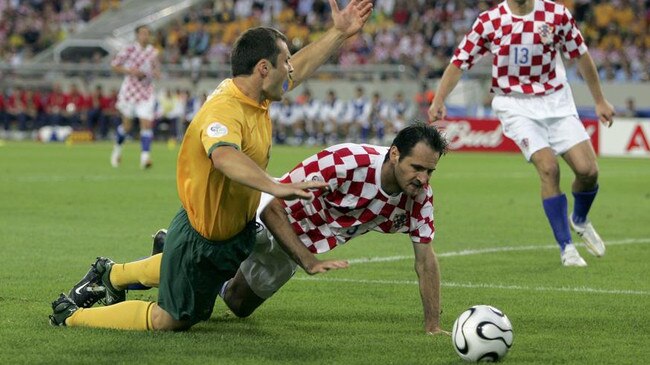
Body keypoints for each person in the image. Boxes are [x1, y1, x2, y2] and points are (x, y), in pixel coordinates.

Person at [49, 0, 374, 331]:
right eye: (285, 61)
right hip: (203, 236)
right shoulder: (225, 109)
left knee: (192, 282)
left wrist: (338, 33)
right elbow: (223, 156)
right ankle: (71, 315)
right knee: (172, 320)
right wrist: (274, 186)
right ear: (263, 67)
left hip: (232, 230)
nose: (290, 69)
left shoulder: (256, 95)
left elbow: (299, 71)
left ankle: (111, 275)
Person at [64, 122, 450, 335]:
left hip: (296, 246)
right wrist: (308, 260)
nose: (423, 178)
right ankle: (111, 275)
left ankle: (175, 255)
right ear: (395, 154)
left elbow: (425, 260)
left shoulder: (419, 198)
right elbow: (273, 204)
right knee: (181, 311)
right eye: (418, 168)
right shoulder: (347, 161)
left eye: (430, 171)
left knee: (237, 305)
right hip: (266, 218)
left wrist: (432, 326)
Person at [428, 0, 615, 267]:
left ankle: (580, 219)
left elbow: (581, 55)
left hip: (556, 101)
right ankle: (567, 248)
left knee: (588, 171)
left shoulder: (557, 16)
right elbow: (459, 62)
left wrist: (600, 100)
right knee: (549, 169)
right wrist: (438, 100)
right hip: (515, 104)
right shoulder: (489, 22)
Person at [110, 24, 161, 169]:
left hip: (146, 91)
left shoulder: (153, 52)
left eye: (147, 34)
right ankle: (117, 149)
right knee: (127, 126)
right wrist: (130, 71)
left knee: (146, 123)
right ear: (137, 35)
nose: (145, 36)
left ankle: (145, 158)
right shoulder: (129, 49)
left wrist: (156, 73)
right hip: (130, 91)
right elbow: (114, 65)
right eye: (142, 33)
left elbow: (157, 70)